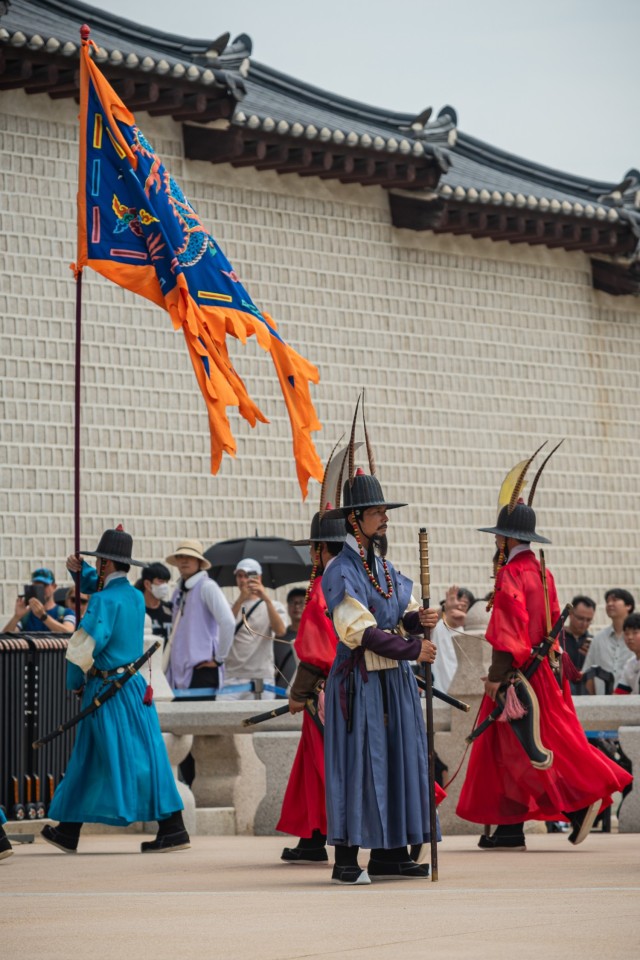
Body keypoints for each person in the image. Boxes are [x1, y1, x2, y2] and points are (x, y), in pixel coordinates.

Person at [456, 450, 633, 850]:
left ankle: (578, 803)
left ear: (509, 537)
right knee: (519, 748)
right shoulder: (541, 571)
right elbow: (549, 622)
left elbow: (506, 633)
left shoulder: (511, 575)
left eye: (499, 535)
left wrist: (496, 679)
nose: (496, 540)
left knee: (531, 749)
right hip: (543, 674)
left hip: (518, 679)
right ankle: (509, 828)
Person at [321, 411, 441, 884]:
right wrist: (415, 651)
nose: (385, 518)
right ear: (355, 519)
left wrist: (419, 621)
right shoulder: (341, 570)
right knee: (360, 763)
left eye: (384, 513)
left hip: (393, 682)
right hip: (363, 683)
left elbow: (393, 616)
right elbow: (360, 631)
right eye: (377, 513)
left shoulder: (383, 567)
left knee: (399, 760)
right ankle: (347, 860)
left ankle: (392, 853)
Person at [42, 526, 189, 854]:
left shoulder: (102, 601)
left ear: (106, 563)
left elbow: (83, 647)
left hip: (107, 689)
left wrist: (74, 683)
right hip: (133, 687)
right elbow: (106, 590)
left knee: (101, 758)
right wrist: (79, 571)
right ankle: (71, 828)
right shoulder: (135, 596)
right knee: (130, 756)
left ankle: (171, 826)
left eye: (100, 562)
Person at [277, 506, 345, 863]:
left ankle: (322, 836)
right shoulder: (352, 576)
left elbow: (317, 652)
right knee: (313, 765)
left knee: (327, 766)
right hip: (342, 686)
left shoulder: (324, 585)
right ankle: (313, 836)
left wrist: (299, 692)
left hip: (325, 691)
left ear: (320, 548)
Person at [164, 538, 235, 786]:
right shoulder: (179, 590)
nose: (183, 561)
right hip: (179, 673)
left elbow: (228, 622)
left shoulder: (207, 587)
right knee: (182, 732)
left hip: (201, 670)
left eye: (189, 557)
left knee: (198, 734)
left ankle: (199, 786)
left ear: (198, 562)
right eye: (180, 557)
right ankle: (188, 785)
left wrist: (219, 658)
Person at [225, 559, 287, 700]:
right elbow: (225, 629)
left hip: (262, 676)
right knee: (224, 720)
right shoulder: (230, 605)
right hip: (232, 675)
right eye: (239, 576)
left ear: (258, 578)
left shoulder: (274, 605)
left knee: (262, 721)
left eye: (247, 575)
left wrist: (266, 599)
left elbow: (280, 631)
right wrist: (240, 600)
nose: (243, 580)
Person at [582, 589, 635, 694]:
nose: (610, 604)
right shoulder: (598, 639)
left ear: (628, 606)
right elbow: (588, 673)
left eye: (615, 600)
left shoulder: (637, 638)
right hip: (603, 703)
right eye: (607, 601)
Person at [2, 568, 75, 634]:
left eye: (44, 585)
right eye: (36, 586)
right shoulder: (27, 616)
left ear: (54, 586)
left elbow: (69, 633)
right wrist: (16, 617)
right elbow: (5, 638)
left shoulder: (66, 612)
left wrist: (43, 616)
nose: (41, 590)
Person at [560, 595, 596, 695]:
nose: (584, 623)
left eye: (589, 620)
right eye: (580, 618)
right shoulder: (557, 639)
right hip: (562, 691)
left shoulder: (594, 642)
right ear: (570, 613)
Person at [274, 587, 305, 697]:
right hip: (281, 696)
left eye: (301, 602)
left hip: (307, 697)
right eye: (292, 602)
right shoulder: (278, 638)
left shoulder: (314, 637)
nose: (296, 606)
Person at [136, 562, 173, 646]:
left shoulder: (170, 609)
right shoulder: (136, 611)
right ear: (147, 584)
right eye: (161, 581)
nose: (165, 586)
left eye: (166, 582)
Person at [614, 613, 640, 695]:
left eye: (635, 633)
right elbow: (619, 694)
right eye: (626, 633)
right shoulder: (630, 664)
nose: (630, 637)